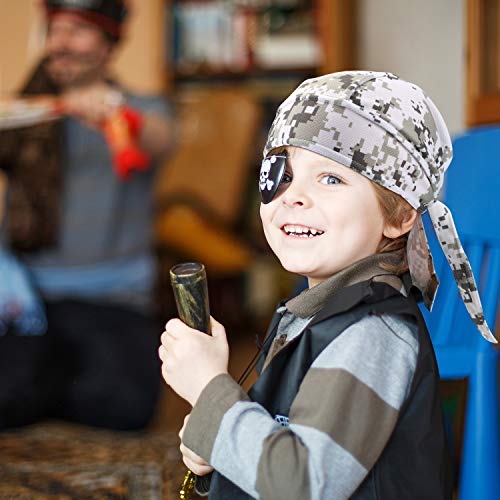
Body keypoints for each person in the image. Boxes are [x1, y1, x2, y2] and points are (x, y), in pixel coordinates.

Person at [159, 71, 498, 499]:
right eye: (283, 173)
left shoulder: (371, 335)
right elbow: (279, 450)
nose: (293, 196)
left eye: (331, 178)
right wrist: (220, 444)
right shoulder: (309, 315)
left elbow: (301, 485)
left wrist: (209, 388)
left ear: (399, 216)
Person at [0, 0, 173, 431]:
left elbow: (161, 137)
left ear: (108, 43)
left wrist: (118, 113)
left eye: (76, 30)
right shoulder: (24, 114)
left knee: (123, 405)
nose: (60, 43)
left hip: (113, 301)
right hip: (26, 302)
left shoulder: (142, 108)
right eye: (54, 30)